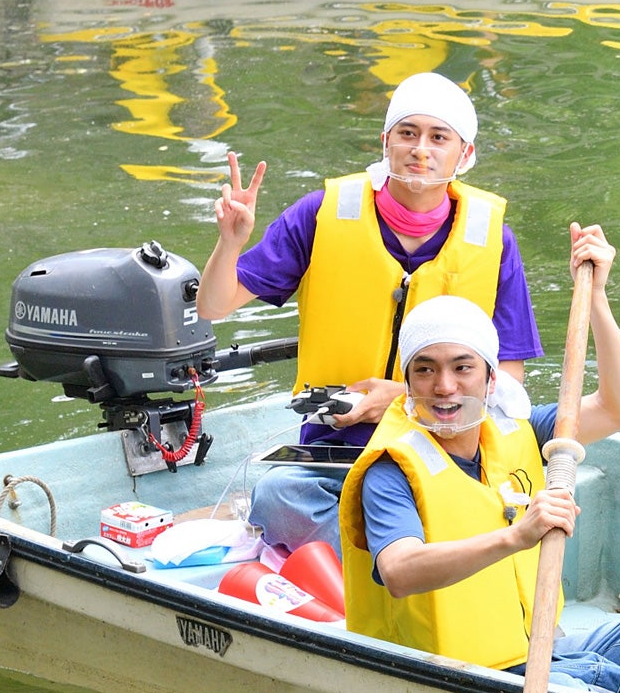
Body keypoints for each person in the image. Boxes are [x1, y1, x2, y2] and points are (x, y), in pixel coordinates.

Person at [339, 227, 620, 693]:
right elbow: (400, 572)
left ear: (491, 379)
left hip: (544, 645)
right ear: (408, 384)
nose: (445, 386)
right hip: (468, 678)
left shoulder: (519, 429)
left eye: (463, 367)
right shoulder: (391, 469)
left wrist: (597, 299)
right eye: (425, 370)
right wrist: (516, 536)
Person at [199, 71, 544, 557]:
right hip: (335, 449)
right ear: (385, 142)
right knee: (277, 497)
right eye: (408, 133)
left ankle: (394, 559)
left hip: (442, 442)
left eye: (438, 137)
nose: (420, 149)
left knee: (477, 499)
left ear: (464, 154)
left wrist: (403, 399)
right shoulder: (319, 213)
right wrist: (230, 243)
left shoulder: (494, 239)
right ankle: (408, 562)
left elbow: (508, 387)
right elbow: (213, 305)